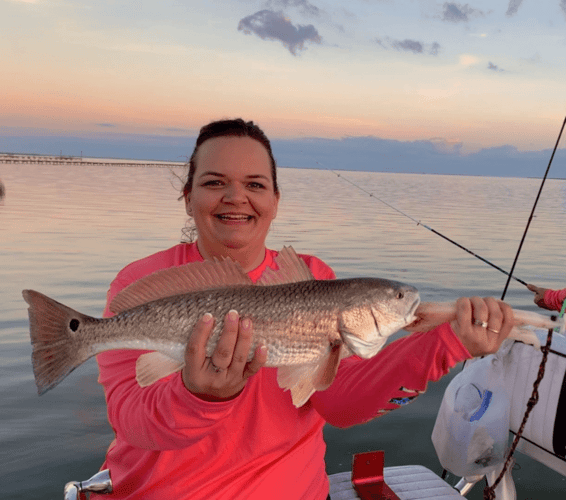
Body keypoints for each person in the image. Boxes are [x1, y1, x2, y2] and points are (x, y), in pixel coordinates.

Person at [91, 118, 514, 500]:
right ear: (188, 197)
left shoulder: (313, 276)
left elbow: (339, 404)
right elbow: (133, 421)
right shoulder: (142, 282)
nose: (236, 197)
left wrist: (447, 341)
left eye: (255, 185)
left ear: (275, 200)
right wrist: (197, 395)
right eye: (215, 182)